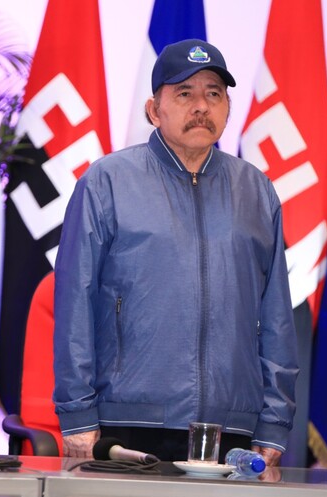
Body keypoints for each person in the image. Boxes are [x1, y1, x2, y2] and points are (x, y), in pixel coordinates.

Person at [52, 39, 298, 467]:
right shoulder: (107, 182)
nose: (201, 106)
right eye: (184, 93)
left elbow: (275, 315)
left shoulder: (256, 191)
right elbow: (75, 301)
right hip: (127, 424)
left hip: (232, 430)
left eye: (214, 94)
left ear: (227, 108)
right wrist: (77, 413)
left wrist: (275, 423)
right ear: (154, 110)